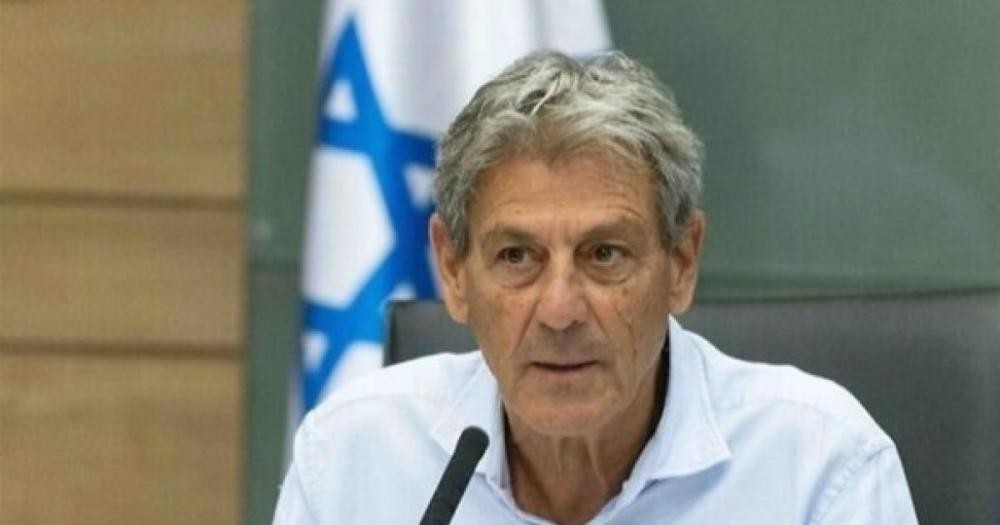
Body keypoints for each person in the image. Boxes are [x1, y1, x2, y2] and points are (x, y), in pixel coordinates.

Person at [273, 50, 917, 524]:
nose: (560, 311)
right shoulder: (352, 461)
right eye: (516, 256)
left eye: (604, 254)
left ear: (682, 262)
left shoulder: (821, 469)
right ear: (453, 270)